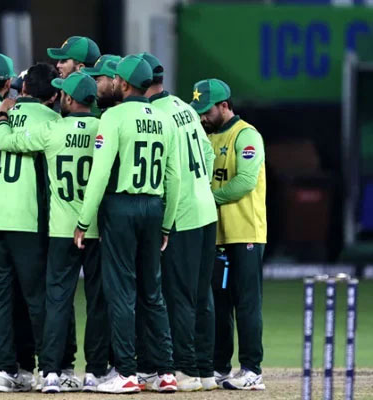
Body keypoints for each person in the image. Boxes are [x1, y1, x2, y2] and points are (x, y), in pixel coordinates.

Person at [0, 72, 113, 393]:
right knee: (97, 302)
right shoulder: (103, 128)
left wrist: (3, 116)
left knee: (57, 301)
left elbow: (6, 142)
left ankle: (50, 373)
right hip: (97, 228)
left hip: (62, 229)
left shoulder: (52, 130)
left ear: (69, 99)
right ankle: (95, 372)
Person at [73, 54, 180, 394]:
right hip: (154, 206)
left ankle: (127, 372)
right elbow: (174, 177)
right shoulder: (163, 119)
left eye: (117, 78)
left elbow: (100, 173)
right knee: (153, 292)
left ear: (124, 83)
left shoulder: (114, 116)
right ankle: (166, 372)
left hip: (120, 206)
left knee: (121, 292)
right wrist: (166, 223)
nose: (114, 82)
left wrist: (83, 220)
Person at [0, 58, 61, 392]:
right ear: (54, 96)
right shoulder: (52, 119)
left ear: (23, 87)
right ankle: (49, 370)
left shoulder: (1, 113)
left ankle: (3, 372)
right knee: (37, 298)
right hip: (26, 217)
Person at [143, 53, 218, 392]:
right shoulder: (184, 107)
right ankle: (205, 369)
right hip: (206, 210)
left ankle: (186, 369)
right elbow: (208, 153)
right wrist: (198, 185)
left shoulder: (155, 115)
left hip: (182, 215)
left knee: (180, 297)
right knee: (202, 295)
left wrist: (166, 216)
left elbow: (166, 173)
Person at [190, 78, 267, 390]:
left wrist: (208, 199)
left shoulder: (246, 135)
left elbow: (245, 182)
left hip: (245, 232)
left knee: (246, 302)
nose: (202, 116)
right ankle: (220, 367)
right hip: (217, 235)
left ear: (224, 106)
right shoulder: (205, 136)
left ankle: (252, 370)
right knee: (219, 305)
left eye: (207, 110)